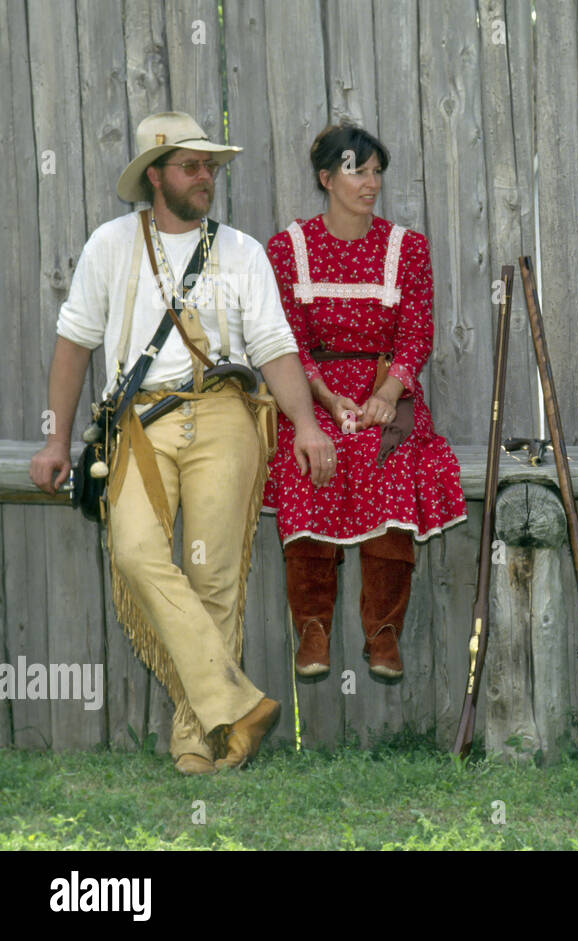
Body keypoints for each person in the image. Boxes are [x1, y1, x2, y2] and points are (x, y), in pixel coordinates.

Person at [29, 111, 336, 774]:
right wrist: (55, 440)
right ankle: (235, 700)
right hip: (139, 420)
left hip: (226, 411)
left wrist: (306, 424)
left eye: (212, 167)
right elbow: (73, 345)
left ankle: (201, 739)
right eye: (193, 167)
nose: (207, 178)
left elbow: (277, 350)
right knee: (137, 552)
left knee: (213, 574)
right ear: (155, 177)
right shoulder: (110, 245)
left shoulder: (243, 251)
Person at [263, 124, 466, 681]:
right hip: (310, 395)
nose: (371, 182)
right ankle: (313, 628)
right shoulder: (288, 249)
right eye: (358, 170)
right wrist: (323, 400)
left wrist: (387, 393)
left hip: (384, 392)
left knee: (394, 466)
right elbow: (285, 341)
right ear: (327, 179)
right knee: (304, 465)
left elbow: (415, 335)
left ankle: (383, 633)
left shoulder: (408, 249)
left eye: (377, 171)